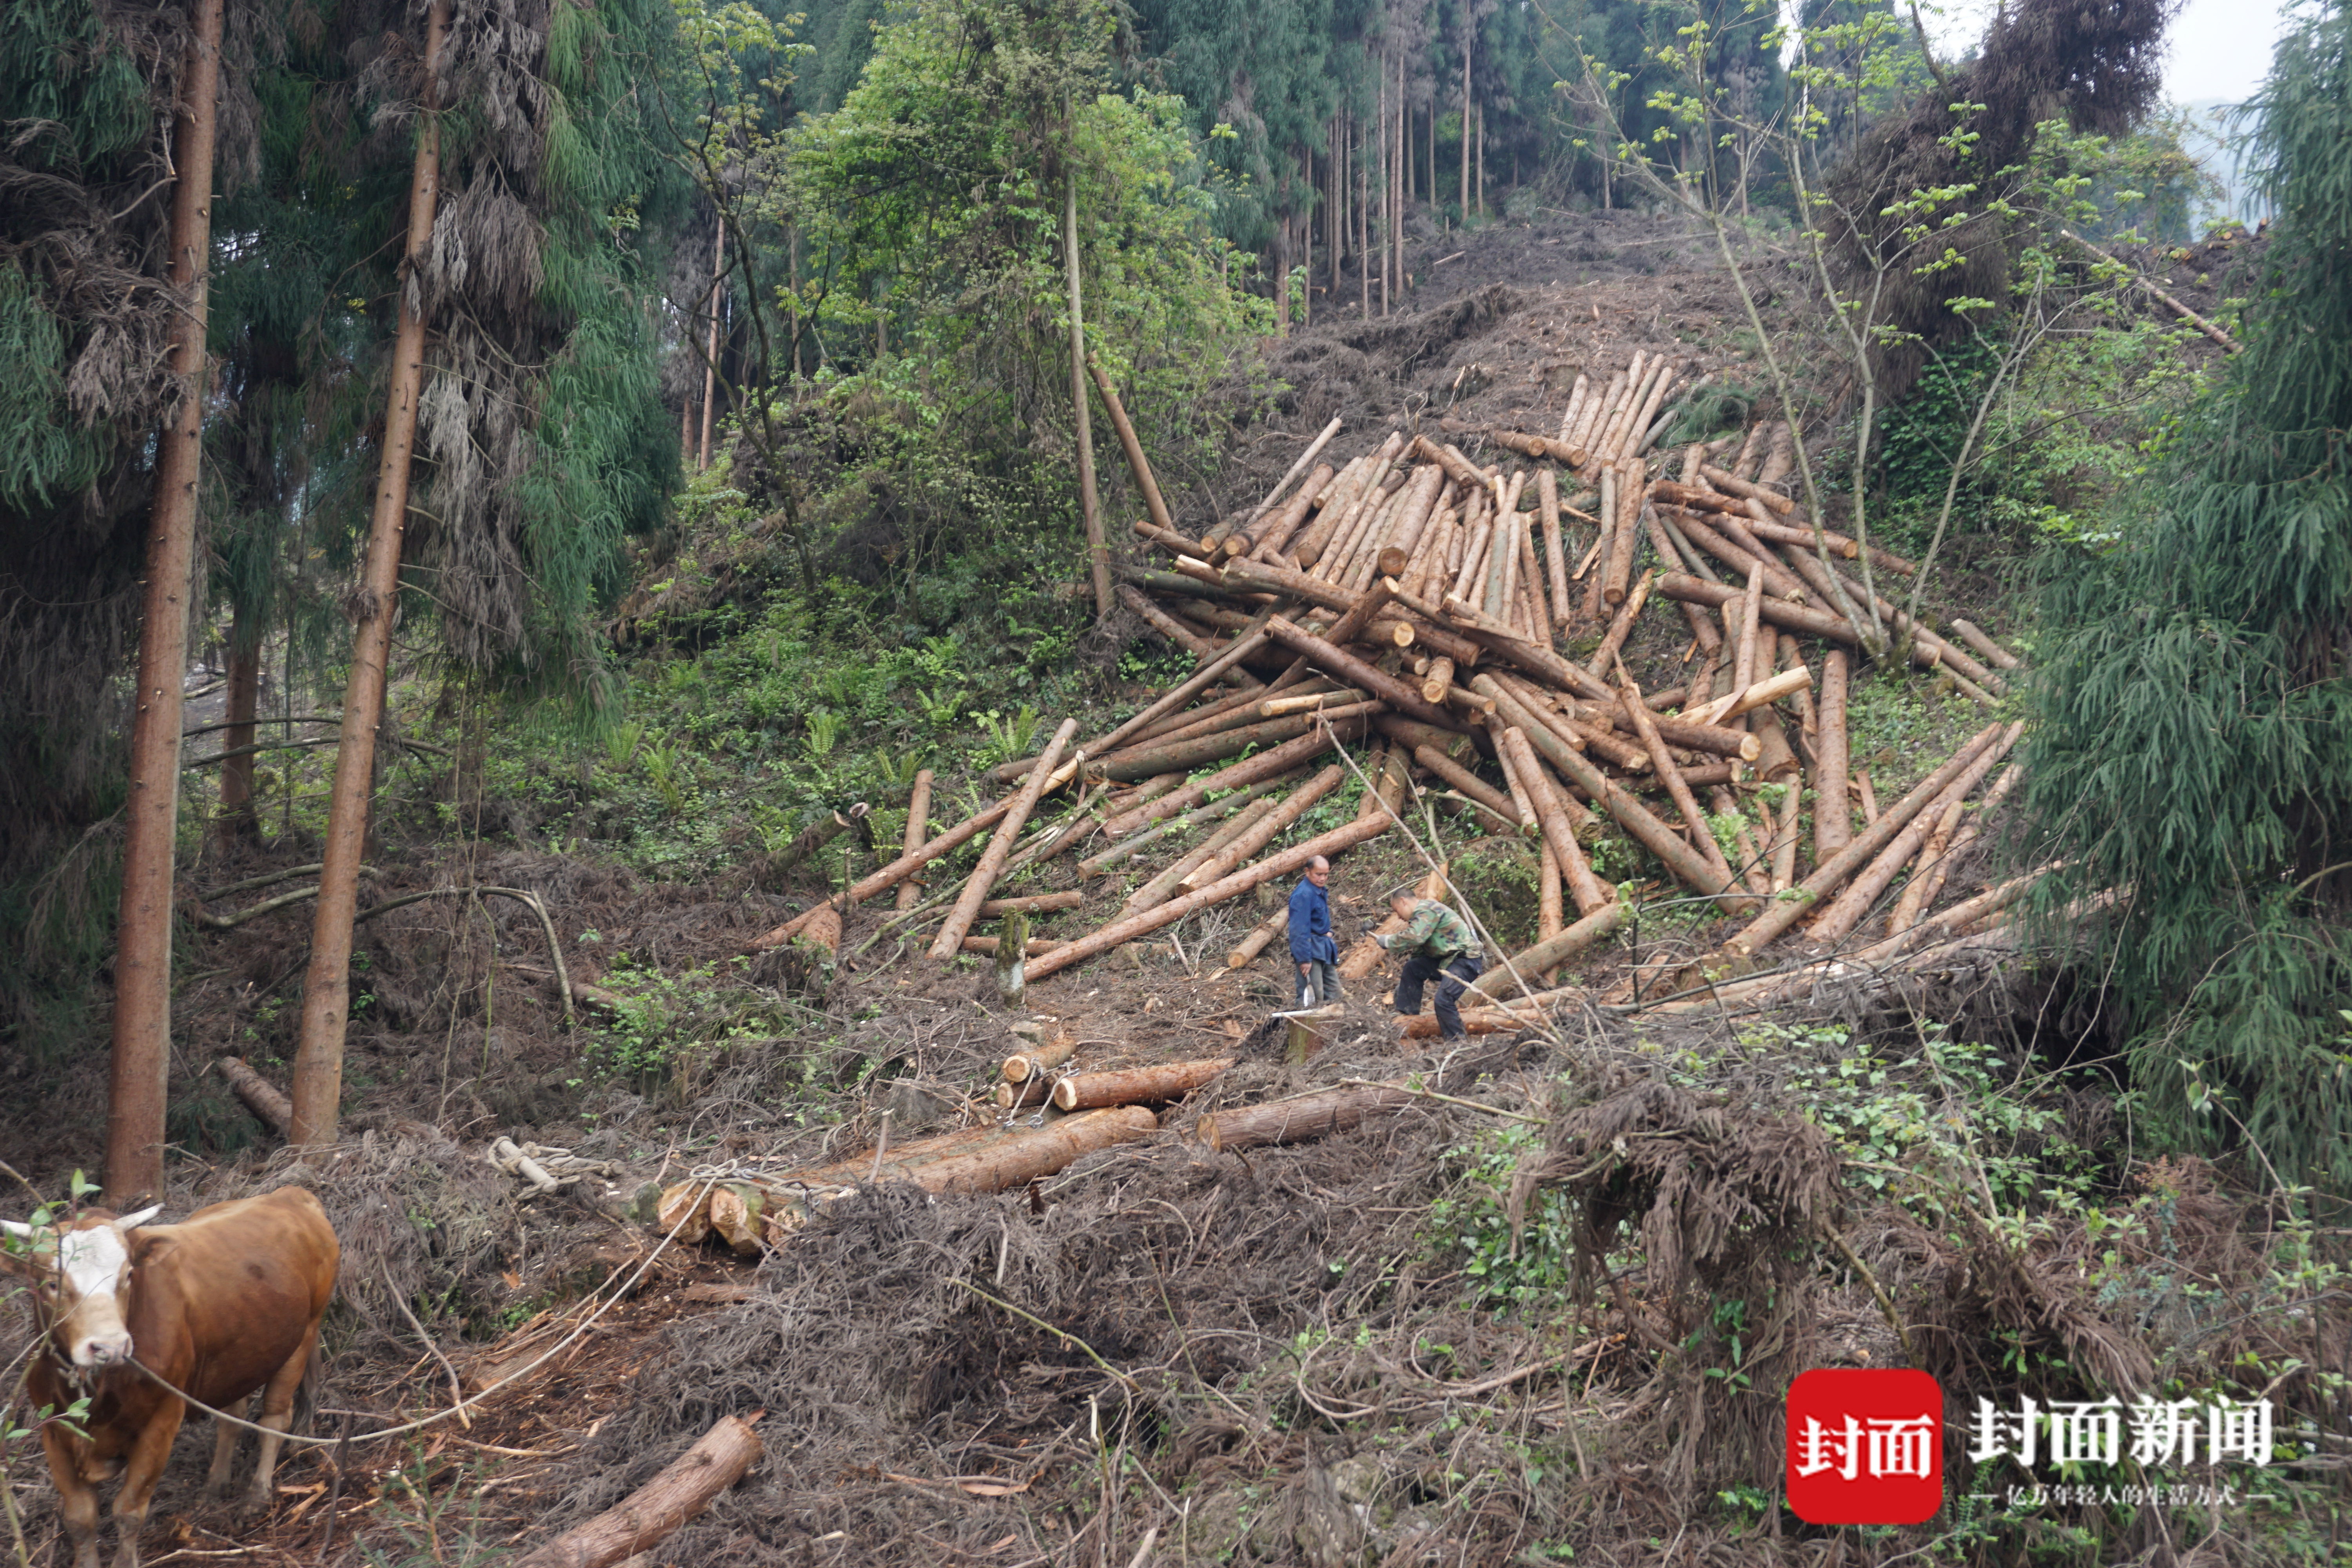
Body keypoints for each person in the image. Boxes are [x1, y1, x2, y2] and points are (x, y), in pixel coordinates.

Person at [1376, 886, 1484, 1038]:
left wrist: (1389, 941)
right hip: (1447, 961)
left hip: (1465, 960)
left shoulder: (1427, 909)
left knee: (1443, 1001)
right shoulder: (1422, 917)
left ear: (1403, 901)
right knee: (1413, 968)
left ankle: (1458, 1044)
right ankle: (1407, 1015)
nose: (1399, 917)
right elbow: (1420, 952)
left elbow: (1415, 937)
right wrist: (1405, 987)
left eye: (1396, 910)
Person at [1287, 856, 1341, 1008]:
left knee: (1335, 994)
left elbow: (1318, 919)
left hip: (1324, 948)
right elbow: (1298, 930)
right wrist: (1304, 959)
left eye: (1326, 875)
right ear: (1307, 872)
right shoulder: (1303, 895)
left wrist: (1328, 932)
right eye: (1319, 874)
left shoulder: (1319, 890)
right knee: (1313, 998)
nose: (1323, 879)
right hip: (1310, 950)